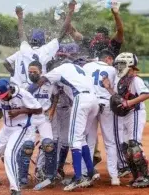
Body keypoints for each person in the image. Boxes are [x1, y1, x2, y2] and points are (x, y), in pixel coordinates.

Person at [30, 60, 99, 191]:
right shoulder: (78, 68)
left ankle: (78, 178)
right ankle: (91, 172)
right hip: (93, 100)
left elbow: (41, 81)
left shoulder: (59, 69)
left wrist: (25, 91)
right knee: (81, 137)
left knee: (73, 140)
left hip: (81, 99)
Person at [0, 79, 42, 195]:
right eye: (0, 96)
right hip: (6, 129)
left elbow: (39, 109)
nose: (3, 98)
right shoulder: (0, 96)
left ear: (9, 89)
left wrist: (21, 111)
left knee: (9, 155)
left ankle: (15, 189)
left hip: (21, 129)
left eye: (4, 95)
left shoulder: (22, 95)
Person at [3, 1, 76, 88]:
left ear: (31, 41)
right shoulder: (46, 50)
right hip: (38, 87)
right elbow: (62, 32)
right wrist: (70, 12)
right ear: (43, 41)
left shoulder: (25, 49)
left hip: (21, 88)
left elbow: (21, 34)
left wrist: (20, 17)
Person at [102, 52, 149, 188]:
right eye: (117, 65)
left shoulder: (136, 80)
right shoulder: (122, 80)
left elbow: (146, 94)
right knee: (125, 147)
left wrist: (129, 103)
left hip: (135, 113)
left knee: (134, 145)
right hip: (126, 115)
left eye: (121, 64)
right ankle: (136, 177)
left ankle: (145, 176)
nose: (118, 67)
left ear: (129, 65)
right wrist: (109, 89)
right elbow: (119, 98)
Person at [83, 49, 120, 185]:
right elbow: (115, 91)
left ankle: (87, 174)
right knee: (110, 141)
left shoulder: (87, 66)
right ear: (108, 58)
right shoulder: (111, 69)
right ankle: (114, 177)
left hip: (90, 103)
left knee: (89, 140)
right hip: (106, 104)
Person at [25, 61, 57, 190]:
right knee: (27, 146)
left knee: (48, 144)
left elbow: (56, 95)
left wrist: (52, 110)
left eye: (34, 72)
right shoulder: (25, 85)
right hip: (30, 118)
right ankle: (23, 176)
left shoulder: (49, 85)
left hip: (44, 117)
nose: (32, 74)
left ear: (41, 72)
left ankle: (47, 175)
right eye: (30, 72)